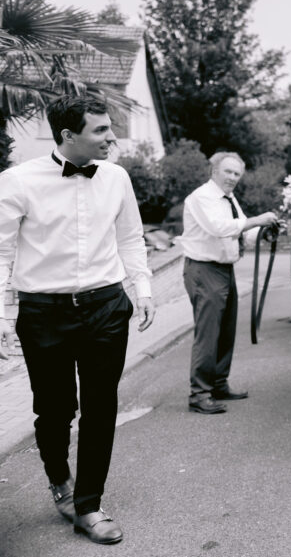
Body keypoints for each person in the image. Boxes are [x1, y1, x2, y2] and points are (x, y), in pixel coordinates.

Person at [0, 97, 155, 545]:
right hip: (42, 312)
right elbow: (3, 253)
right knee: (53, 410)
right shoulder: (16, 182)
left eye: (111, 128)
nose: (112, 138)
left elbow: (131, 238)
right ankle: (58, 480)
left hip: (106, 306)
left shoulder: (117, 178)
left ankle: (88, 504)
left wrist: (142, 291)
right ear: (69, 136)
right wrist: (5, 315)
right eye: (102, 130)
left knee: (101, 404)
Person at [179, 152, 277, 415]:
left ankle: (218, 384)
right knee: (208, 333)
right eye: (228, 172)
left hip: (223, 269)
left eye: (237, 174)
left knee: (225, 331)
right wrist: (257, 220)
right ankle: (199, 394)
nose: (233, 178)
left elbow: (241, 232)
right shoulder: (202, 197)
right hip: (203, 269)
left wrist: (267, 229)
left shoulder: (229, 198)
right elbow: (219, 227)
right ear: (214, 171)